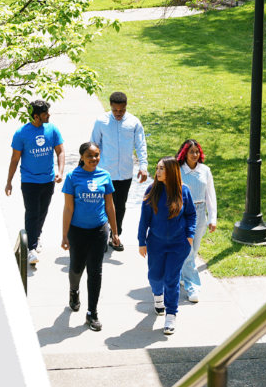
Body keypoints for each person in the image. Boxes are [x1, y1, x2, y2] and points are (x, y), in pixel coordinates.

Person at [61, 141, 119, 331]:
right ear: (81, 157)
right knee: (77, 268)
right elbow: (68, 208)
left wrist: (115, 232)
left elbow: (110, 206)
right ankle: (74, 290)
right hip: (77, 231)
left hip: (99, 231)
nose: (94, 158)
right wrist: (64, 235)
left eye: (96, 155)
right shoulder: (72, 177)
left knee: (95, 271)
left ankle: (92, 313)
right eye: (89, 156)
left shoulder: (105, 176)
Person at [138, 157, 196, 335]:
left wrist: (190, 236)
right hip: (156, 243)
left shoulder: (183, 191)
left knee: (172, 279)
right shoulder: (152, 190)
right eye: (157, 168)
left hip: (179, 244)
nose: (158, 172)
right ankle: (158, 297)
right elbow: (144, 219)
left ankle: (171, 315)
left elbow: (191, 215)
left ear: (171, 171)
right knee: (155, 277)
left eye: (162, 168)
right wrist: (141, 241)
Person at [5, 99, 65, 264]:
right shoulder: (21, 133)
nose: (49, 115)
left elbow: (60, 151)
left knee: (42, 211)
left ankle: (36, 236)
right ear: (36, 116)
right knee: (32, 213)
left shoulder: (52, 130)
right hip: (29, 180)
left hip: (48, 180)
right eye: (45, 114)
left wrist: (60, 172)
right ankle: (31, 248)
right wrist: (9, 182)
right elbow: (15, 159)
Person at [89, 91, 148, 251]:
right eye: (115, 110)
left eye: (121, 110)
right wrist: (90, 169)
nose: (118, 113)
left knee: (120, 206)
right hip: (104, 173)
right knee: (102, 205)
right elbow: (93, 145)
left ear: (126, 106)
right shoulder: (101, 122)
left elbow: (141, 145)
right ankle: (100, 237)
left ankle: (115, 236)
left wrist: (143, 166)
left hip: (125, 173)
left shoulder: (134, 122)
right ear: (110, 106)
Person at [176, 138, 218, 303]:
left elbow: (210, 195)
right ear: (184, 153)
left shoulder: (205, 170)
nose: (195, 155)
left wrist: (212, 218)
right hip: (183, 213)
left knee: (194, 251)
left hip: (200, 213)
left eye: (197, 151)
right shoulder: (178, 170)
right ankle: (193, 287)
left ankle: (182, 274)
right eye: (191, 152)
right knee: (187, 251)